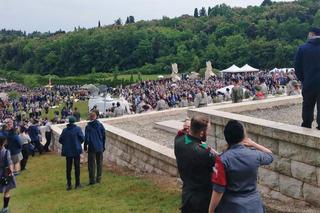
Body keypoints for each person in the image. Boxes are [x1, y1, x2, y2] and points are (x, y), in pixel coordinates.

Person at [208, 120, 273, 213]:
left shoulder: (222, 160)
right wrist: (253, 144)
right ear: (243, 137)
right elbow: (270, 156)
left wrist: (211, 210)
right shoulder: (254, 155)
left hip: (232, 207)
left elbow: (218, 190)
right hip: (255, 206)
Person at [174, 115, 216, 213]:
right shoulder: (204, 152)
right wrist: (210, 150)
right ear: (202, 133)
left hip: (187, 196)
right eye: (207, 131)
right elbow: (220, 162)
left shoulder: (179, 141)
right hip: (203, 200)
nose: (208, 133)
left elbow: (186, 137)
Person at [295, 27, 320, 129]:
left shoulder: (302, 48)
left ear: (311, 34)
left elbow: (297, 67)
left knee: (308, 105)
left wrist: (303, 79)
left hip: (309, 82)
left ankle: (306, 125)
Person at [59, 116, 84, 190]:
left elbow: (60, 140)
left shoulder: (65, 130)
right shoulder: (77, 129)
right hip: (76, 150)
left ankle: (69, 185)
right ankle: (77, 184)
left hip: (68, 151)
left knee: (68, 168)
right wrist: (78, 143)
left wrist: (66, 144)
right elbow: (82, 138)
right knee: (77, 167)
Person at [84, 112, 106, 185]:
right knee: (99, 163)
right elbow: (104, 136)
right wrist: (103, 146)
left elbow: (86, 138)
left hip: (92, 147)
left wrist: (85, 147)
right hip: (99, 146)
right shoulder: (100, 125)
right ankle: (98, 179)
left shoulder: (88, 127)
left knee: (91, 164)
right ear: (95, 117)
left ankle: (92, 180)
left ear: (90, 117)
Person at [0, 135, 16, 213]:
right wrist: (11, 173)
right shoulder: (6, 151)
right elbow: (10, 163)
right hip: (4, 173)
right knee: (7, 191)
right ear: (4, 142)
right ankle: (5, 208)